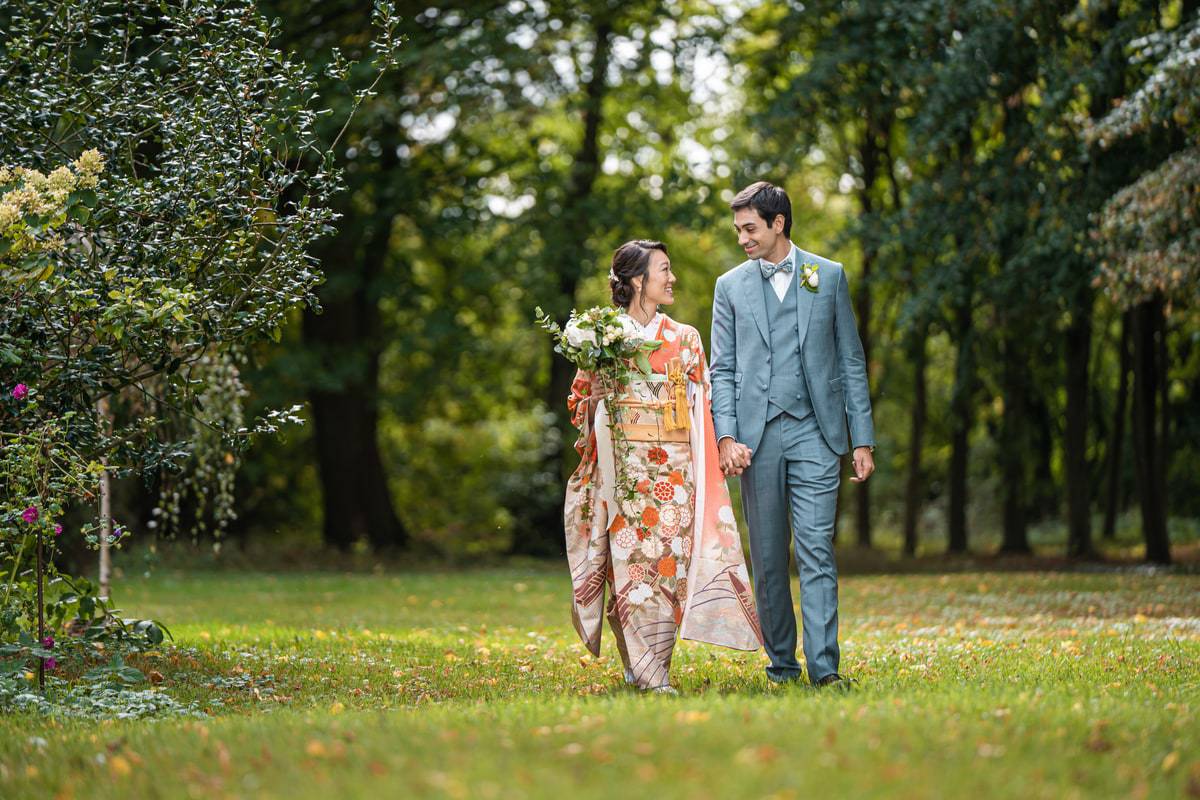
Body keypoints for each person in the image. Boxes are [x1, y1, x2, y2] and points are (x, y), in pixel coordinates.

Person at [563, 239, 762, 693]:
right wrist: (592, 401)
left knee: (668, 569)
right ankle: (651, 674)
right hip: (625, 476)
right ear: (637, 281)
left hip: (676, 474)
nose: (672, 278)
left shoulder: (685, 339)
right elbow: (578, 401)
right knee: (632, 569)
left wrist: (720, 448)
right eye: (664, 270)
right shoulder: (603, 337)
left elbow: (705, 402)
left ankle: (647, 664)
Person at [710, 181, 876, 688]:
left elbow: (850, 360)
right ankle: (782, 665)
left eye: (750, 228)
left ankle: (826, 670)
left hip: (818, 433)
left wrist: (862, 439)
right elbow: (722, 369)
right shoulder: (730, 286)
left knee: (817, 551)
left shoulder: (827, 276)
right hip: (756, 439)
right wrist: (726, 437)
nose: (742, 238)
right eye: (738, 229)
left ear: (778, 223)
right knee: (766, 556)